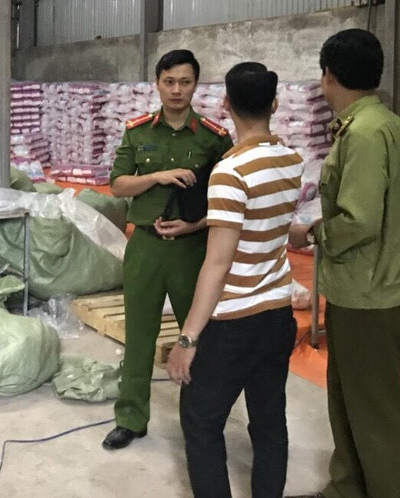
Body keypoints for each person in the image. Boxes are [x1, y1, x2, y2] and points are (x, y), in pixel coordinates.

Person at [286, 29, 400, 498]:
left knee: (374, 409)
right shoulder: (389, 124)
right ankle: (347, 487)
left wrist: (313, 232)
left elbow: (359, 219)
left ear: (328, 75)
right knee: (347, 396)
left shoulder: (363, 134)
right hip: (368, 285)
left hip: (368, 293)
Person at [165, 62, 303, 497]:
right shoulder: (290, 160)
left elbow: (217, 263)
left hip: (234, 322)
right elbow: (275, 227)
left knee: (201, 420)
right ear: (274, 104)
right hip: (277, 314)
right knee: (269, 420)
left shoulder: (231, 171)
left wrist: (187, 339)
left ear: (226, 104)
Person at [103, 49, 233, 451]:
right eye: (169, 82)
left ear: (196, 85)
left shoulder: (213, 138)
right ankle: (131, 418)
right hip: (145, 247)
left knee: (198, 338)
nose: (177, 90)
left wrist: (196, 224)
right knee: (139, 337)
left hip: (192, 251)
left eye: (185, 82)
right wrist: (157, 176)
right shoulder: (138, 131)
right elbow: (118, 184)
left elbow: (228, 198)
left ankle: (200, 422)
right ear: (157, 84)